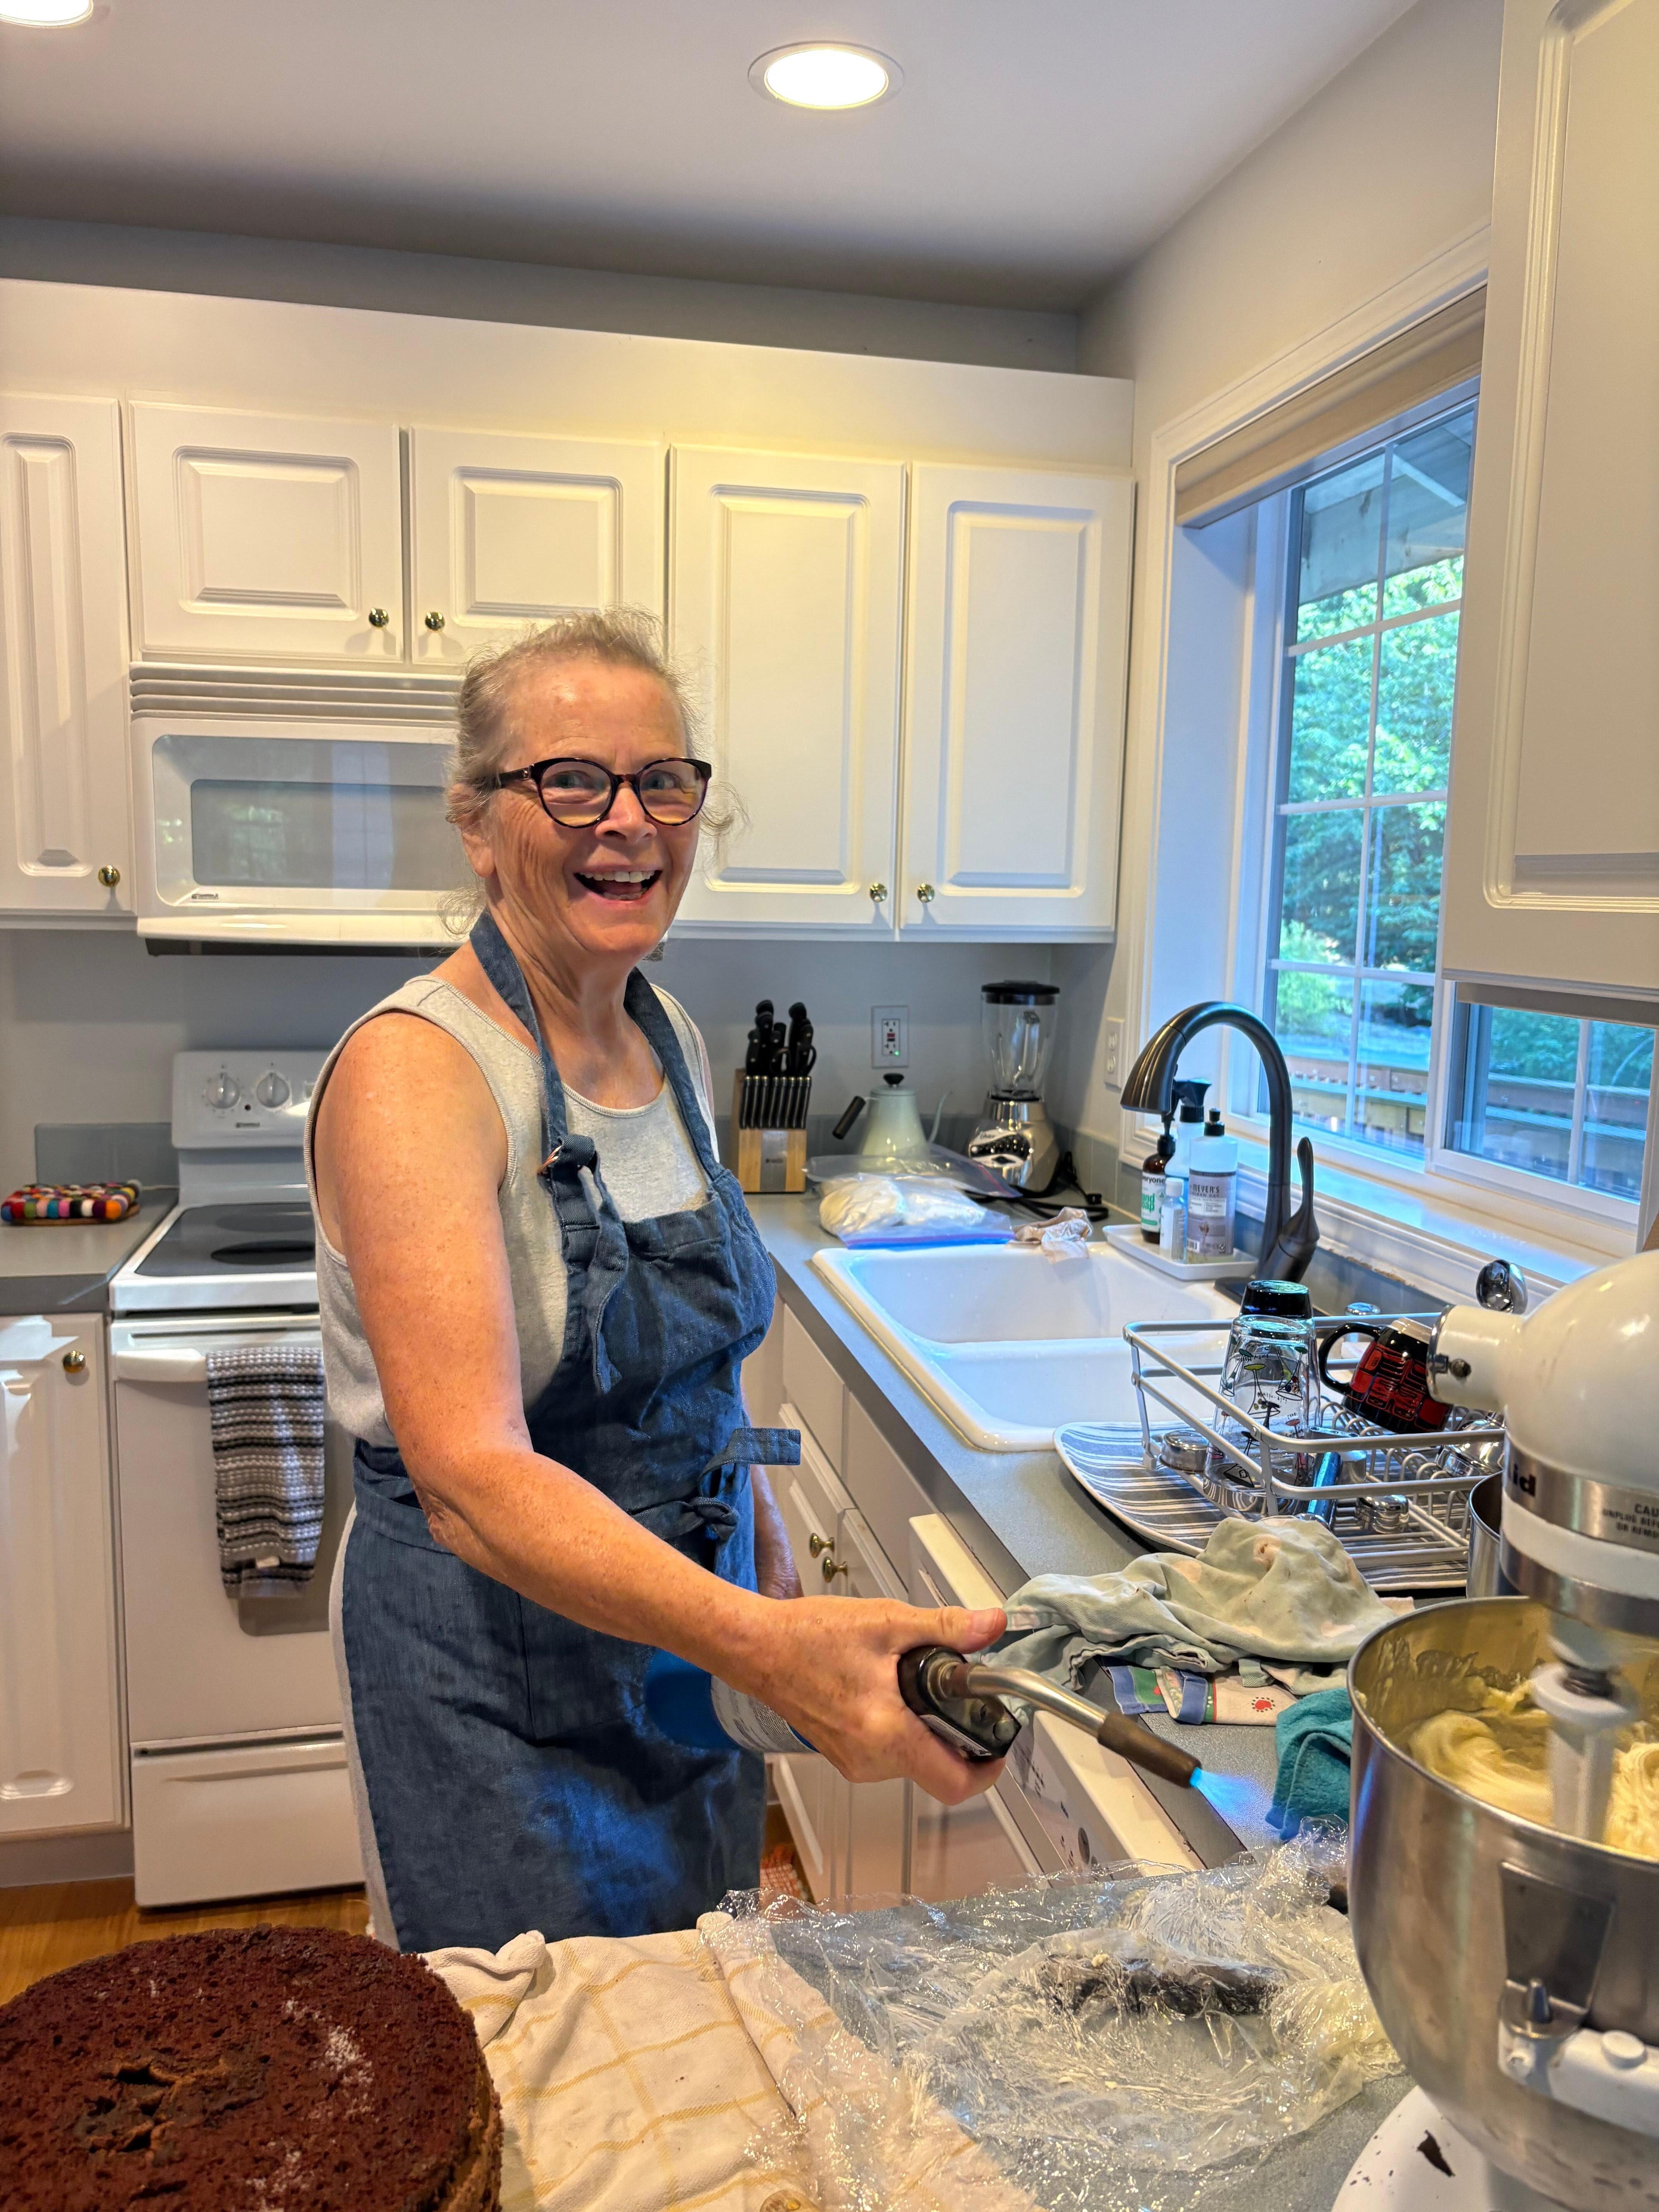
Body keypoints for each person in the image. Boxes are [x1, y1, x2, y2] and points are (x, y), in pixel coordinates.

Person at [307, 610, 1006, 1954]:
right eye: (570, 780)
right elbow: (469, 1480)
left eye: (663, 782)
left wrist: (755, 1505)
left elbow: (697, 1353)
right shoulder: (420, 1076)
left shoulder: (669, 1033)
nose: (627, 821)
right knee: (545, 2075)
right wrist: (757, 1640)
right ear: (476, 820)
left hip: (689, 1635)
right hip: (498, 1669)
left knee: (704, 1992)